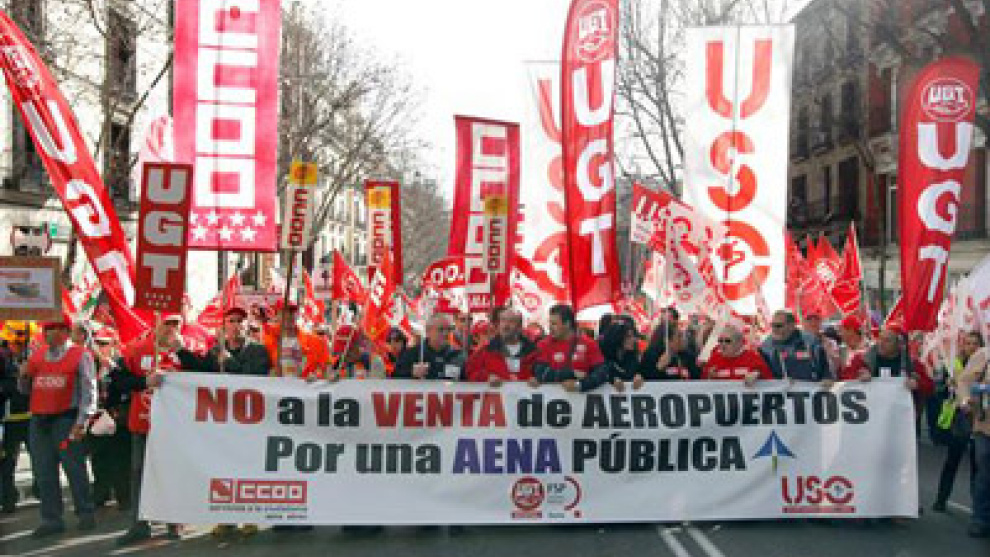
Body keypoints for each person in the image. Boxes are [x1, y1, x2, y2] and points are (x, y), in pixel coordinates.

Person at [18, 319, 97, 537]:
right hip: (39, 421)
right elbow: (25, 390)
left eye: (53, 329)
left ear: (66, 332)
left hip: (66, 419)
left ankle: (85, 512)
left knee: (74, 468)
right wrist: (23, 375)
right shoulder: (37, 356)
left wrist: (82, 421)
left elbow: (89, 390)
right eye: (47, 330)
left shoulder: (80, 355)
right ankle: (51, 519)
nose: (49, 333)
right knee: (43, 471)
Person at [115, 318, 183, 546]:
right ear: (156, 324)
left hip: (175, 429)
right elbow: (119, 381)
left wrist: (183, 352)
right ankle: (139, 525)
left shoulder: (186, 351)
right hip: (143, 425)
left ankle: (174, 521)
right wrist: (144, 381)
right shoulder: (137, 350)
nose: (171, 329)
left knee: (172, 473)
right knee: (139, 474)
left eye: (176, 324)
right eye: (166, 324)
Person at [933, 330, 983, 512]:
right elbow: (938, 388)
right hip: (959, 419)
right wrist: (948, 384)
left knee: (978, 466)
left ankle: (978, 506)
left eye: (975, 344)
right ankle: (941, 499)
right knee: (952, 461)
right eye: (968, 343)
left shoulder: (985, 364)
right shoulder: (954, 363)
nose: (971, 347)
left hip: (978, 418)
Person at [87, 327, 131, 511]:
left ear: (114, 344)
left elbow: (127, 384)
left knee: (120, 459)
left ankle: (124, 497)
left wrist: (112, 368)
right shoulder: (91, 363)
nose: (100, 347)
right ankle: (100, 494)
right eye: (97, 343)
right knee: (98, 458)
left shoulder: (122, 362)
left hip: (117, 417)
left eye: (104, 343)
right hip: (97, 417)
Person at [531, 304, 609, 392]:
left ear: (567, 324)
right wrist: (572, 374)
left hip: (582, 399)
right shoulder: (543, 344)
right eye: (550, 323)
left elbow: (602, 372)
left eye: (554, 324)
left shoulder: (589, 344)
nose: (550, 327)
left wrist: (581, 385)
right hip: (551, 398)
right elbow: (540, 372)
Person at [175, 306, 270, 376]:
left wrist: (229, 361)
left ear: (247, 325)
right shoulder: (215, 351)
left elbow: (255, 377)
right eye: (231, 321)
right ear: (224, 326)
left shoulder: (258, 350)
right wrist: (180, 350)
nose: (236, 325)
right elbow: (200, 371)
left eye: (240, 321)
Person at [839, 328, 934, 398]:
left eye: (887, 340)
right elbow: (843, 381)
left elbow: (930, 387)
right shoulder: (861, 359)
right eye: (880, 338)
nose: (881, 343)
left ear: (899, 344)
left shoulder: (912, 363)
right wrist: (858, 377)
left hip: (901, 415)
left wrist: (917, 384)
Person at [956, 344, 990, 537]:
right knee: (985, 472)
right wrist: (966, 400)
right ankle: (980, 518)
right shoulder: (984, 355)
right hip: (985, 426)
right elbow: (964, 381)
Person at [0, 322, 34, 514]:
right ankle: (8, 499)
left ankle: (42, 491)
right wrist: (14, 382)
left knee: (40, 459)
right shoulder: (2, 357)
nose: (18, 344)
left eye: (22, 340)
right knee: (7, 463)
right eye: (15, 341)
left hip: (31, 417)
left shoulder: (32, 355)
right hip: (8, 420)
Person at [466, 307, 537, 385]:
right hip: (494, 392)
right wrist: (487, 377)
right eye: (503, 321)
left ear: (520, 327)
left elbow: (541, 374)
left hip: (524, 392)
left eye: (511, 321)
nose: (506, 325)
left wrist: (536, 379)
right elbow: (470, 374)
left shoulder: (533, 352)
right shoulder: (484, 351)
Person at [758, 310, 831, 382]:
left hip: (810, 387)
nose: (774, 329)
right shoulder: (765, 347)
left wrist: (827, 378)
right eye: (772, 325)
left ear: (791, 325)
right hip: (781, 389)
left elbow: (824, 365)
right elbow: (763, 372)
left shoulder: (810, 341)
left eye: (778, 326)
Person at [262, 302, 330, 378]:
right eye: (284, 312)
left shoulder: (317, 341)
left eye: (291, 311)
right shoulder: (268, 340)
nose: (288, 315)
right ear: (277, 316)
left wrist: (317, 375)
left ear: (296, 315)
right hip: (280, 383)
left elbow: (326, 369)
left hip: (305, 383)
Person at [394, 314, 466, 381]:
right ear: (428, 331)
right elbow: (395, 378)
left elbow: (466, 381)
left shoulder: (457, 355)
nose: (446, 333)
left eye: (449, 329)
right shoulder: (411, 354)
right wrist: (411, 372)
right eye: (441, 329)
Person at [703, 324, 773, 386]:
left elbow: (769, 380)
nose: (723, 344)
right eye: (720, 341)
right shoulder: (714, 359)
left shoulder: (753, 358)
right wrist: (709, 376)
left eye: (727, 341)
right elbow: (702, 383)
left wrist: (758, 375)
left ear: (739, 343)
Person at [597, 320, 640, 391]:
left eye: (634, 336)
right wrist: (612, 380)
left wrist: (639, 376)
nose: (634, 340)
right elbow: (598, 375)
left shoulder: (632, 357)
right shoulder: (603, 358)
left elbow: (635, 372)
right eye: (628, 337)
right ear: (617, 338)